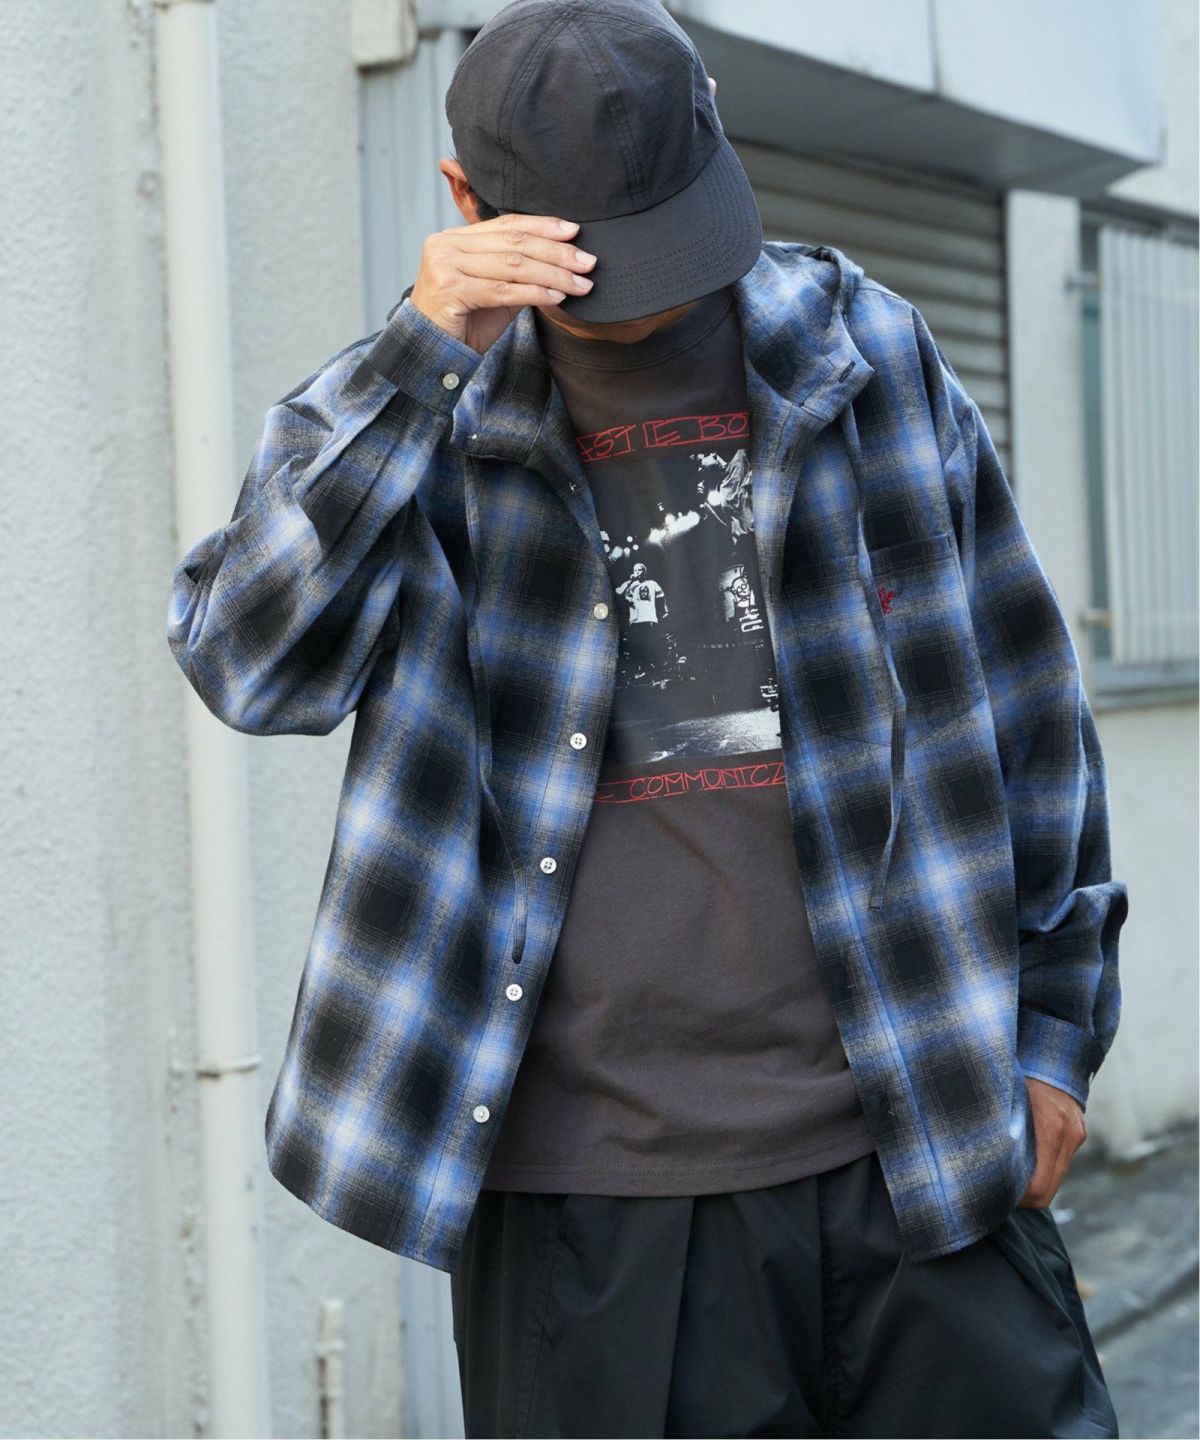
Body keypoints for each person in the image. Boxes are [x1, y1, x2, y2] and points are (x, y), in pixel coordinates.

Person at [166, 1, 1129, 1435]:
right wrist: (416, 355)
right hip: (589, 1207)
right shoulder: (419, 419)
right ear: (466, 202)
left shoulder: (867, 353)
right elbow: (249, 666)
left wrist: (1053, 1032)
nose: (654, 295)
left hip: (919, 1139)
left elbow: (1025, 698)